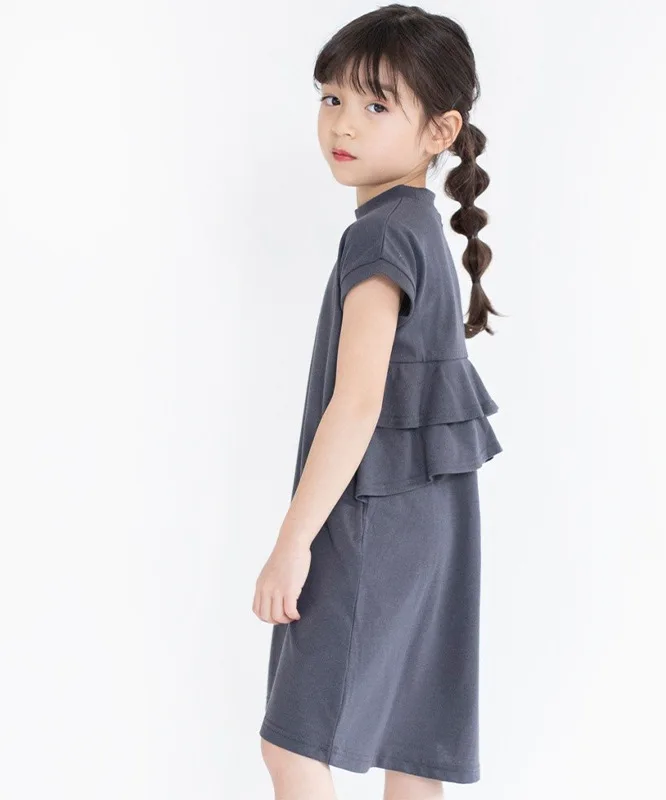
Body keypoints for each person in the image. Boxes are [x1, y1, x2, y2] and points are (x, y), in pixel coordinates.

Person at [252, 5, 504, 799]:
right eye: (331, 98)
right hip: (433, 526)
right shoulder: (420, 228)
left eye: (376, 103)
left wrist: (293, 542)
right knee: (409, 746)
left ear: (440, 130)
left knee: (292, 744)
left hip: (369, 520)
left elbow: (357, 403)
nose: (343, 123)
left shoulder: (380, 236)